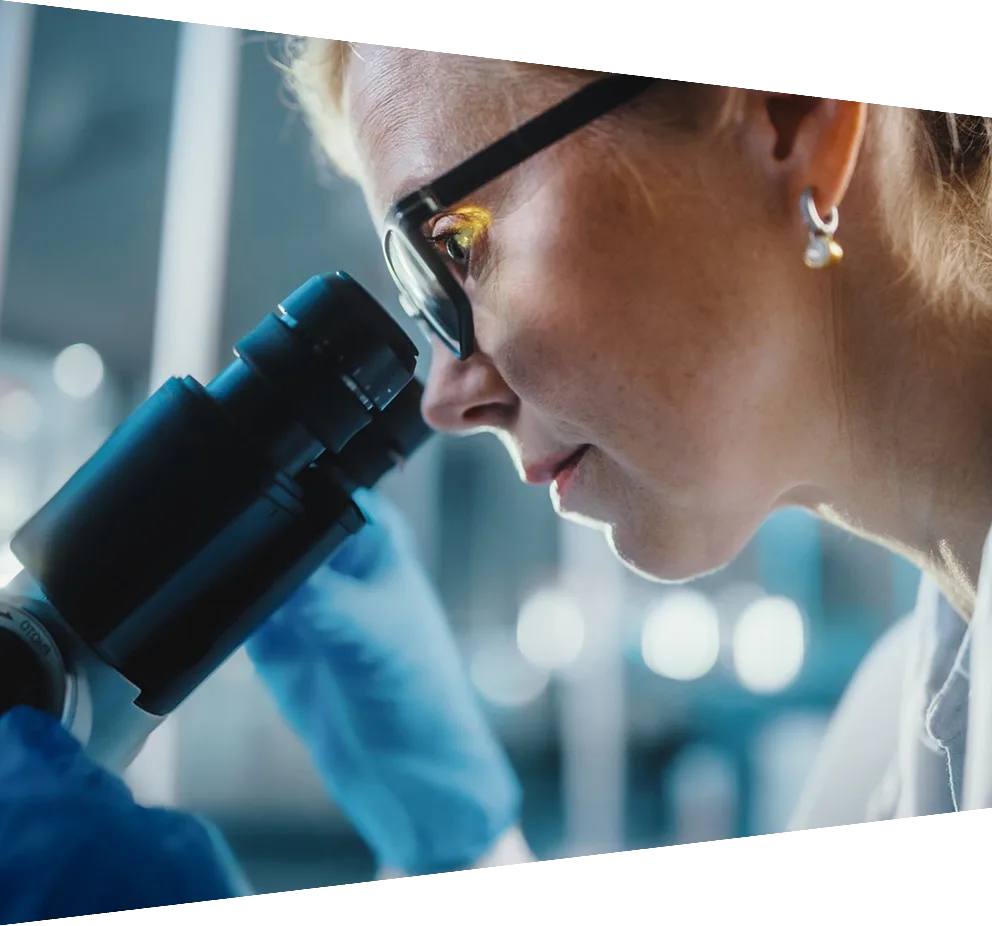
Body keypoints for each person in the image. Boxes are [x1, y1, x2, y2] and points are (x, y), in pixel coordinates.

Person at [4, 45, 992, 918]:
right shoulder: (891, 732)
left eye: (454, 251)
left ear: (787, 114)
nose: (440, 396)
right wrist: (461, 844)